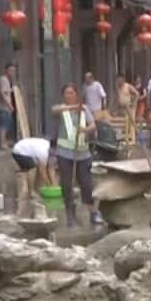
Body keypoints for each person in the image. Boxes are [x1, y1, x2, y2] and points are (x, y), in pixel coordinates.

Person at [52, 83, 102, 228]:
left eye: (72, 93)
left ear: (76, 94)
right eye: (67, 93)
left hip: (82, 153)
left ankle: (93, 212)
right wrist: (74, 107)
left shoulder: (84, 109)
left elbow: (93, 125)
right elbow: (54, 110)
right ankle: (70, 214)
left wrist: (85, 130)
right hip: (64, 153)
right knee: (66, 185)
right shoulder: (62, 110)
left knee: (87, 185)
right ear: (63, 96)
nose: (70, 95)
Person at [11, 136, 53, 209]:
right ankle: (31, 192)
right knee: (33, 168)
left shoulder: (47, 147)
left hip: (24, 150)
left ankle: (35, 190)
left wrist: (52, 185)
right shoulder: (44, 151)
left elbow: (49, 169)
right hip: (18, 151)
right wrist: (50, 186)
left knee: (37, 168)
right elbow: (43, 172)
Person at [0, 64, 17, 149]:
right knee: (4, 126)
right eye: (11, 70)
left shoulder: (7, 81)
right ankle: (2, 143)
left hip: (6, 107)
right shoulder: (3, 79)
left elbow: (7, 91)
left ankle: (5, 141)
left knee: (7, 125)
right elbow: (3, 93)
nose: (12, 73)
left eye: (13, 71)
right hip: (4, 107)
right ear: (6, 70)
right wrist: (10, 105)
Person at [116, 74, 140, 140]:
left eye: (120, 80)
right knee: (123, 123)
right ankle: (125, 138)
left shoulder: (128, 86)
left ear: (123, 80)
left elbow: (137, 94)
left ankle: (132, 139)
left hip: (129, 107)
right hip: (121, 108)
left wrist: (134, 103)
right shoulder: (118, 87)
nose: (119, 81)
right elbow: (118, 97)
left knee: (131, 122)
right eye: (117, 80)